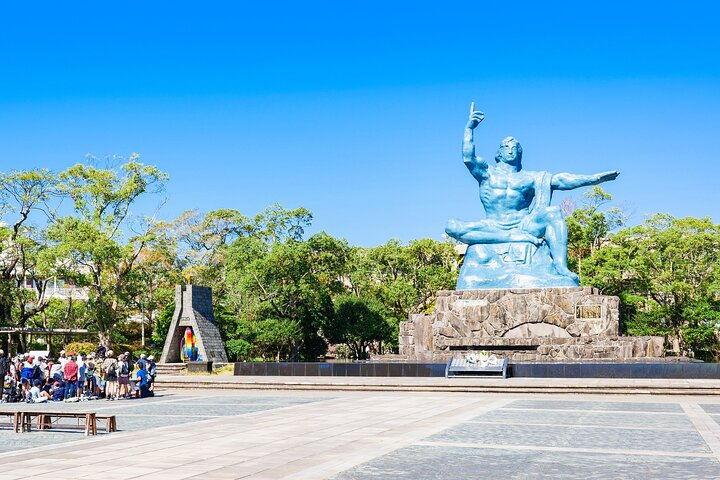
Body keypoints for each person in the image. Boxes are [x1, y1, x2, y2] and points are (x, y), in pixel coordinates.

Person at [445, 106, 619, 282]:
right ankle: (509, 237)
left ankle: (560, 266)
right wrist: (469, 129)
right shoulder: (487, 173)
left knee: (553, 213)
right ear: (499, 153)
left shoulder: (530, 177)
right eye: (506, 147)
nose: (511, 150)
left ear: (520, 153)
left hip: (523, 225)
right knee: (451, 226)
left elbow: (562, 180)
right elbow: (468, 157)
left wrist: (594, 179)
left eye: (515, 147)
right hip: (492, 225)